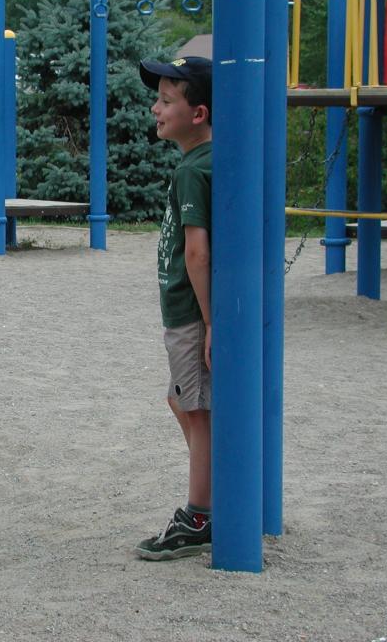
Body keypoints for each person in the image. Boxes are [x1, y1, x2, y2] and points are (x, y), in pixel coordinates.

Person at [134, 57, 213, 561]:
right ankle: (216, 486)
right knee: (180, 400)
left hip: (190, 313)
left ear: (198, 113)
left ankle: (199, 515)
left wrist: (211, 323)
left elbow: (197, 251)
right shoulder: (200, 162)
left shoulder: (193, 171)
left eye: (167, 101)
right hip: (187, 313)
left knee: (197, 412)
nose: (155, 108)